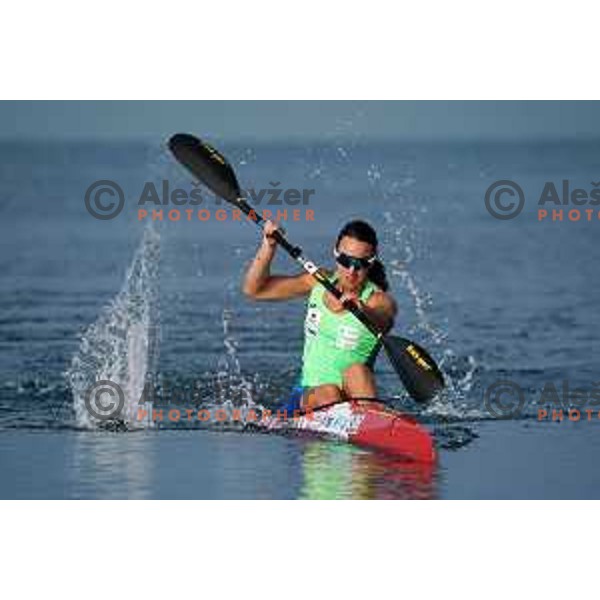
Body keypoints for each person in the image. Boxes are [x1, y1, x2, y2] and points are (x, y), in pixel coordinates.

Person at [242, 219, 397, 412]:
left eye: (360, 264)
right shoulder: (317, 282)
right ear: (335, 253)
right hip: (308, 396)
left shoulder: (379, 301)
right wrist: (269, 246)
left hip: (354, 395)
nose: (351, 271)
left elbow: (383, 319)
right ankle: (360, 414)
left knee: (357, 370)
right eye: (345, 261)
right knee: (329, 392)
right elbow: (255, 290)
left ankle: (374, 418)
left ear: (371, 262)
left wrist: (362, 309)